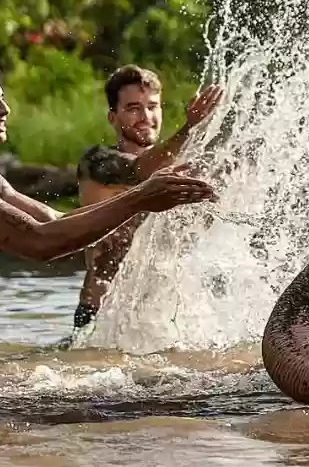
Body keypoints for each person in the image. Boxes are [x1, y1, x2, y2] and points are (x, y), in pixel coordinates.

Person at [0, 58, 216, 395]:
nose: (5, 109)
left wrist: (143, 197)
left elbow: (56, 221)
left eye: (1, 98)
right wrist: (140, 199)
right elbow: (38, 242)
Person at [70, 66, 222, 331]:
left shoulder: (177, 169)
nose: (146, 117)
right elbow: (139, 170)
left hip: (157, 316)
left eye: (152, 107)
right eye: (133, 108)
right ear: (112, 117)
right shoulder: (97, 162)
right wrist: (189, 127)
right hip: (102, 314)